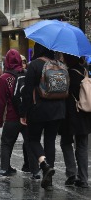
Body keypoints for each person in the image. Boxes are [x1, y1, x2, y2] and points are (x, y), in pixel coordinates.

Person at [20, 43, 66, 190]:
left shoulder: (34, 65)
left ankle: (44, 165)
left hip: (38, 110)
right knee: (50, 141)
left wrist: (23, 113)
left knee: (33, 139)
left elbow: (27, 92)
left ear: (38, 49)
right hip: (58, 110)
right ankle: (49, 181)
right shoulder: (60, 65)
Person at [0, 49, 39, 179]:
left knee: (6, 143)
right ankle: (35, 171)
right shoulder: (27, 74)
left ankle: (4, 169)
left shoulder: (4, 78)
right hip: (27, 116)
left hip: (12, 117)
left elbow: (1, 102)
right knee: (30, 143)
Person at [59, 54, 91, 188]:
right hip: (84, 113)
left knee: (66, 142)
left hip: (70, 114)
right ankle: (83, 178)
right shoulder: (85, 71)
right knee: (82, 146)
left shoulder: (67, 74)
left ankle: (71, 173)